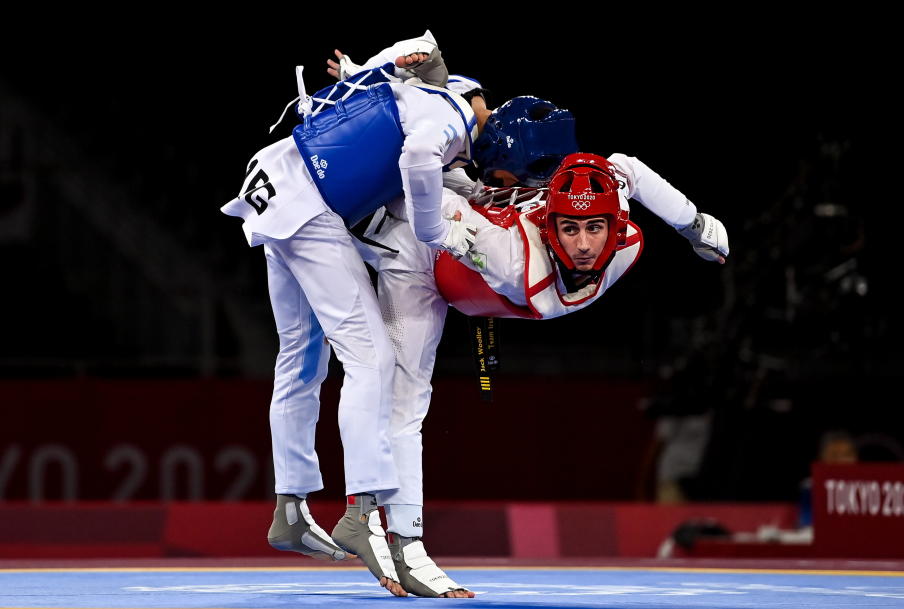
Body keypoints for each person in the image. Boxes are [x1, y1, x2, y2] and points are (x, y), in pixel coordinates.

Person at [220, 31, 576, 598]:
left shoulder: (445, 98)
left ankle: (290, 506)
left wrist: (377, 64)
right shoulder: (453, 113)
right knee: (371, 357)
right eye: (511, 179)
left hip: (274, 181)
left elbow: (402, 91)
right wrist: (437, 229)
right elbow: (417, 153)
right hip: (311, 208)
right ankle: (361, 510)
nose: (502, 187)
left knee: (301, 355)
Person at [355, 152, 727, 595]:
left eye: (594, 227)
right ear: (552, 229)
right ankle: (407, 546)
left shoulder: (625, 231)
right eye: (570, 229)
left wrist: (693, 223)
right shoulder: (514, 263)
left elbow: (628, 166)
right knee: (404, 402)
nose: (585, 245)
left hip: (482, 233)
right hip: (423, 262)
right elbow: (430, 211)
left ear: (615, 222)